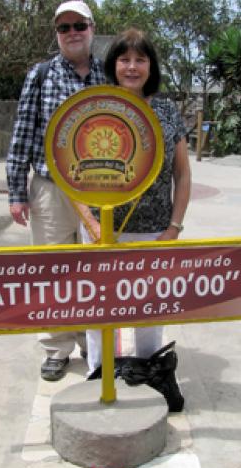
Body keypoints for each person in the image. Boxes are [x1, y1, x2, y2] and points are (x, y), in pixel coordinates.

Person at [80, 28, 191, 374]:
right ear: (113, 64)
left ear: (150, 67)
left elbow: (183, 174)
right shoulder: (94, 106)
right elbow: (71, 176)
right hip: (103, 231)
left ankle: (147, 373)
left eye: (140, 59)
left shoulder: (167, 110)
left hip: (154, 230)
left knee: (148, 311)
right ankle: (98, 374)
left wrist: (173, 226)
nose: (131, 67)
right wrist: (92, 223)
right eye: (124, 59)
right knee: (98, 310)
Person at [6, 0, 105, 381]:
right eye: (64, 28)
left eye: (79, 25)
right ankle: (56, 346)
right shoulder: (41, 74)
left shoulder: (107, 74)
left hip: (97, 191)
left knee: (91, 268)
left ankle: (88, 340)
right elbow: (23, 133)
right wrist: (17, 192)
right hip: (50, 187)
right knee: (52, 268)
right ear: (57, 35)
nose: (72, 33)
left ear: (92, 28)